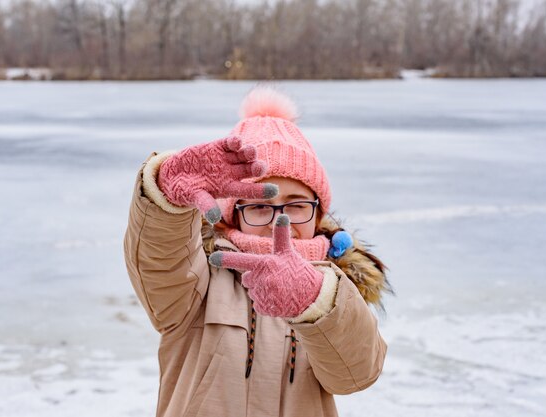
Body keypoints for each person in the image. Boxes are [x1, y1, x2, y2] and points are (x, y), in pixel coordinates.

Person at [123, 85, 392, 417]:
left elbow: (355, 374)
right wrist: (163, 192)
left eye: (296, 205)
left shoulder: (334, 289)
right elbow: (159, 261)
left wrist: (313, 301)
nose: (280, 220)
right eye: (261, 205)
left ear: (318, 213)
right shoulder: (199, 280)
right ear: (232, 213)